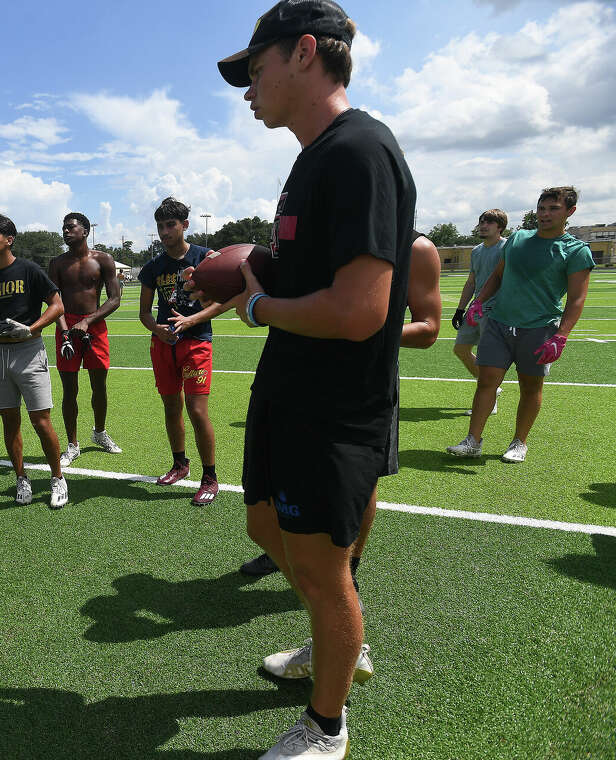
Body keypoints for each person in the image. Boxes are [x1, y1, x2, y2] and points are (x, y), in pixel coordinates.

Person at [215, 1, 417, 760]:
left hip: (335, 403)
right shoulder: (313, 157)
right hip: (289, 385)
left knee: (323, 568)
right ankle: (336, 639)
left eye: (255, 69)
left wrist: (258, 307)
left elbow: (362, 309)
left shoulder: (359, 151)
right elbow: (316, 277)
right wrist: (259, 271)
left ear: (305, 54)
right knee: (265, 525)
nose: (248, 89)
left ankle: (325, 725)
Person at [240, 232, 441, 587]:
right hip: (294, 370)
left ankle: (349, 564)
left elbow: (428, 329)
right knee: (285, 468)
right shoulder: (320, 240)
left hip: (364, 381)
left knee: (359, 476)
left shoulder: (415, 248)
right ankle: (282, 551)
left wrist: (352, 324)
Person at [447, 186, 594, 464]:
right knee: (486, 382)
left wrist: (561, 336)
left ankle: (519, 442)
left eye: (553, 209)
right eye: (541, 208)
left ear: (570, 212)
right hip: (500, 323)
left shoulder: (576, 250)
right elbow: (497, 275)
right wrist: (479, 300)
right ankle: (472, 441)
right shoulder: (518, 239)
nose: (545, 214)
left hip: (539, 327)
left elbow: (576, 300)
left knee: (530, 387)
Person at [0, 213, 68, 508]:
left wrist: (32, 328)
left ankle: (57, 479)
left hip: (29, 350)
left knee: (41, 420)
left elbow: (57, 305)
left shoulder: (28, 270)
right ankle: (21, 478)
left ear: (9, 240)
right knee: (9, 422)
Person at [137, 197, 220, 506]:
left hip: (197, 342)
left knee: (197, 411)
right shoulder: (153, 267)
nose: (164, 232)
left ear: (185, 225)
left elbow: (220, 302)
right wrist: (157, 329)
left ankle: (210, 477)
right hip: (164, 345)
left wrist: (192, 320)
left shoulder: (205, 258)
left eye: (170, 225)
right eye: (160, 226)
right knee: (172, 407)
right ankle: (180, 464)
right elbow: (145, 313)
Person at [48, 212, 123, 466]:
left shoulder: (103, 259)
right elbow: (53, 301)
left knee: (99, 385)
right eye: (64, 228)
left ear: (85, 231)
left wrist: (88, 321)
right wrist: (65, 329)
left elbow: (114, 299)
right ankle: (72, 444)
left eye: (71, 227)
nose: (66, 231)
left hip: (94, 325)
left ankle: (99, 432)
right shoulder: (57, 263)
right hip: (66, 327)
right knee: (69, 389)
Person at [451, 209, 508, 415]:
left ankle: (489, 399)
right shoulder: (476, 251)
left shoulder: (507, 247)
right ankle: (493, 387)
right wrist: (460, 309)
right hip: (476, 308)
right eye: (482, 222)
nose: (483, 225)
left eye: (489, 222)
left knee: (487, 357)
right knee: (460, 349)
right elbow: (471, 282)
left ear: (500, 227)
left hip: (496, 310)